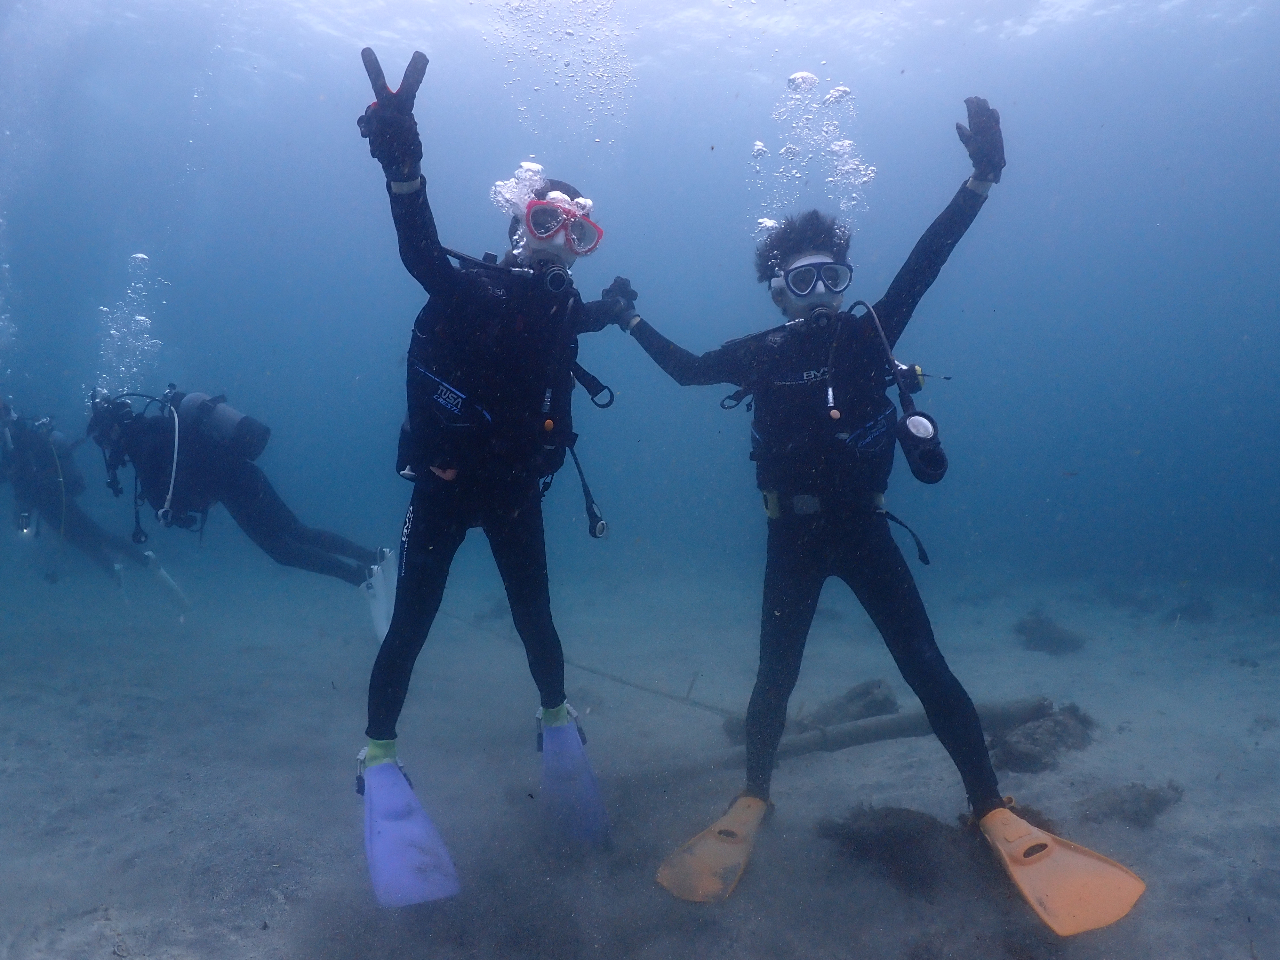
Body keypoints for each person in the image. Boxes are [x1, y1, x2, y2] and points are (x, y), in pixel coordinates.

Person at [612, 99, 1145, 934]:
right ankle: (753, 795)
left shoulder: (869, 331)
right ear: (778, 287)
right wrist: (631, 318)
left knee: (926, 665)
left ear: (845, 283)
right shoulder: (759, 352)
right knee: (774, 675)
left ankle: (988, 803)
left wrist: (981, 179)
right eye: (803, 281)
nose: (822, 294)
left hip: (861, 528)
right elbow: (683, 372)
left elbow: (928, 260)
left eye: (833, 277)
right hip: (791, 531)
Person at [351, 48, 636, 907]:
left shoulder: (559, 307)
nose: (561, 245)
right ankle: (376, 752)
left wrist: (615, 312)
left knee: (535, 618)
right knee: (413, 621)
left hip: (515, 491)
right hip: (442, 488)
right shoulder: (471, 284)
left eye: (578, 235)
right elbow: (418, 253)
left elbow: (572, 321)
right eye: (546, 224)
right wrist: (405, 169)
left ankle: (556, 721)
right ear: (518, 226)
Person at [86, 385, 380, 587]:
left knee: (284, 550)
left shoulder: (141, 443)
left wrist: (174, 512)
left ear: (113, 428)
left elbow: (164, 496)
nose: (107, 449)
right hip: (242, 477)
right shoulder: (155, 426)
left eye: (103, 440)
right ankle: (371, 561)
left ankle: (361, 577)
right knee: (297, 533)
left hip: (235, 486)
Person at [2, 398, 151, 580]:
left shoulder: (24, 437)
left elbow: (30, 473)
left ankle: (142, 562)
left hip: (53, 497)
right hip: (46, 500)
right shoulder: (16, 439)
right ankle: (118, 571)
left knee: (93, 536)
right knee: (85, 541)